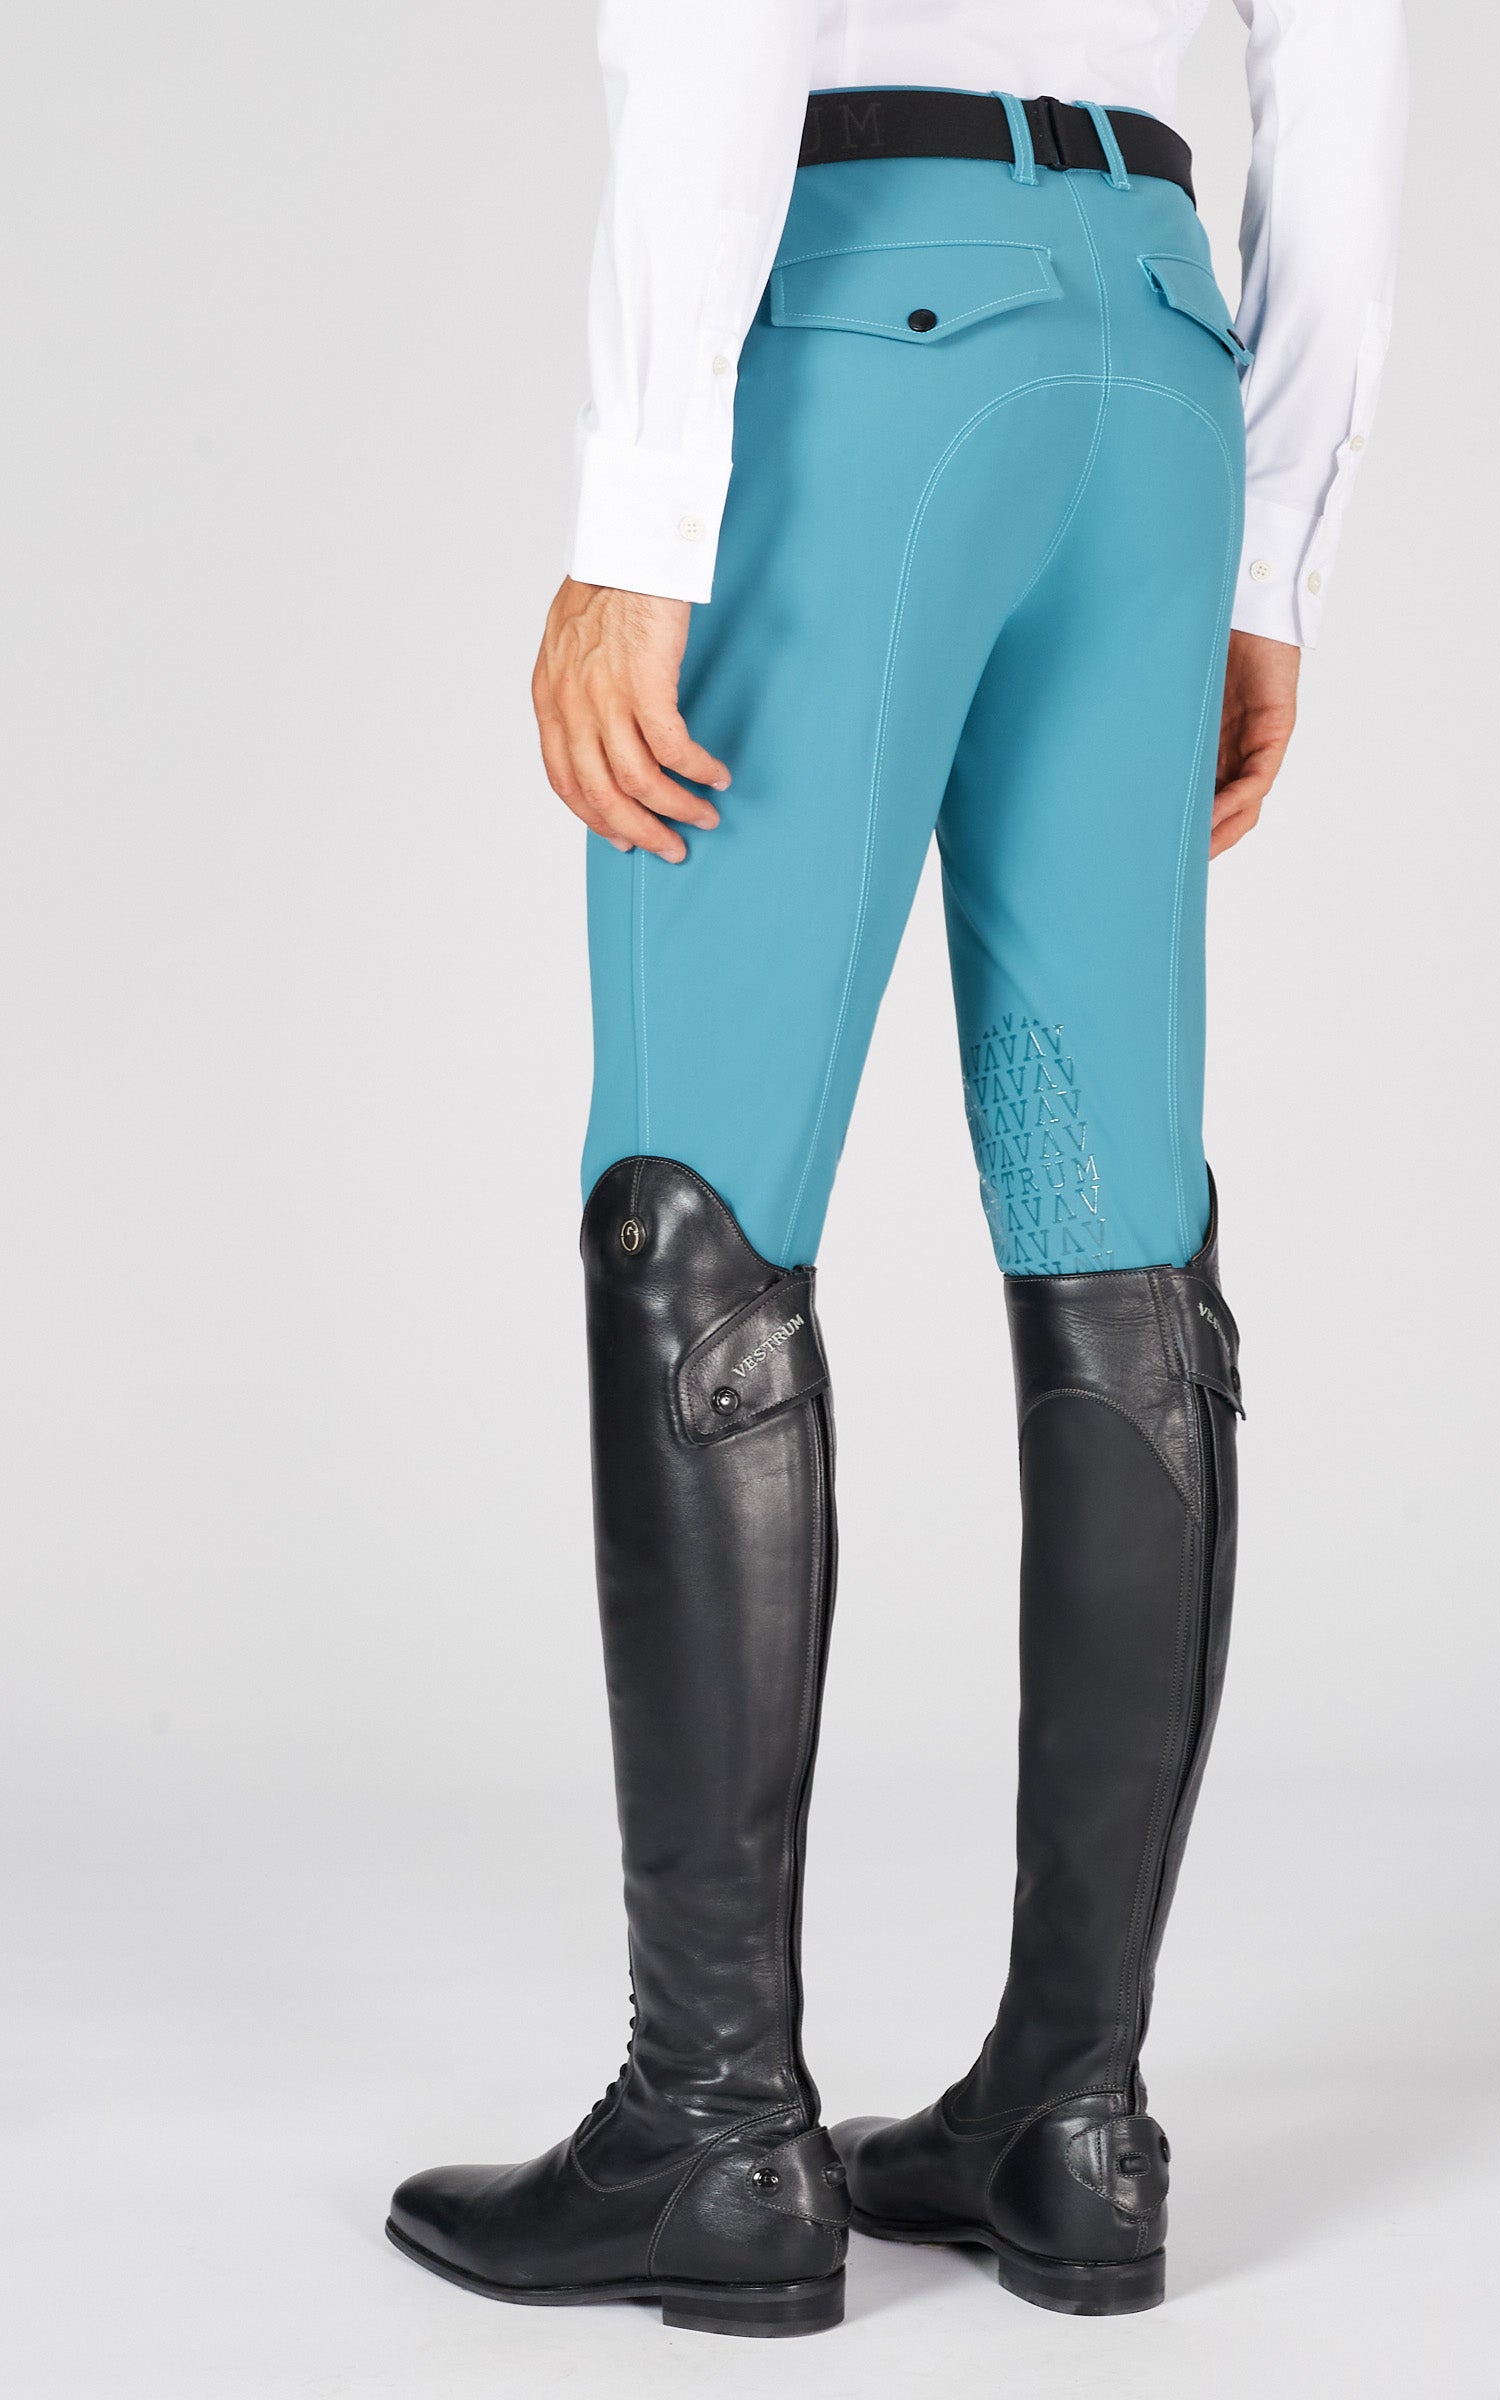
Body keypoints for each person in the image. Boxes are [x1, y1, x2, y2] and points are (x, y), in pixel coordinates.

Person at [386, 0, 1407, 2339]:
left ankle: (716, 2123)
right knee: (1116, 1228)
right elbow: (1346, 68)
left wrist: (644, 502)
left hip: (869, 328)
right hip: (1158, 372)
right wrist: (1273, 550)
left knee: (698, 1204)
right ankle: (1074, 2116)